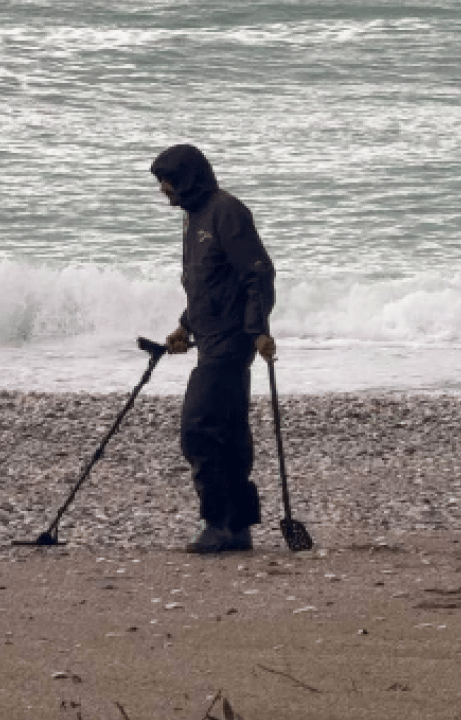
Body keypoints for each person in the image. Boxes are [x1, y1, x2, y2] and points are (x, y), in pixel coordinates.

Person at [151, 144, 277, 553]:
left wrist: (258, 330)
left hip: (231, 342)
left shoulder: (226, 211)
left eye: (166, 181)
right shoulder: (194, 217)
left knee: (199, 429)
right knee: (228, 432)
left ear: (187, 177)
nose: (163, 190)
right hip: (210, 340)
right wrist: (185, 327)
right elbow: (209, 283)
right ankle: (236, 528)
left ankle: (218, 523)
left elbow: (258, 274)